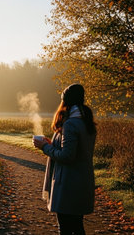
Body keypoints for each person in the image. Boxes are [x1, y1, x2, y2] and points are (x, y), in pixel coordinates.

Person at [33, 84, 97, 235]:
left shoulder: (70, 124)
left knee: (66, 228)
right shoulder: (86, 121)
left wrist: (44, 147)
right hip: (82, 182)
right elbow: (76, 150)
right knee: (77, 225)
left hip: (68, 184)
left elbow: (68, 156)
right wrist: (52, 143)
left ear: (65, 101)